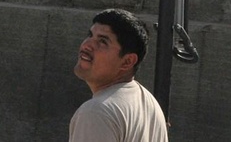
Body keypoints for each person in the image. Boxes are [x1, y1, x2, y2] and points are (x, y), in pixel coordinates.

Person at [70, 8, 169, 142]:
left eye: (103, 41)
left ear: (127, 61)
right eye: (90, 35)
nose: (86, 45)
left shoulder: (96, 112)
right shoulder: (149, 103)